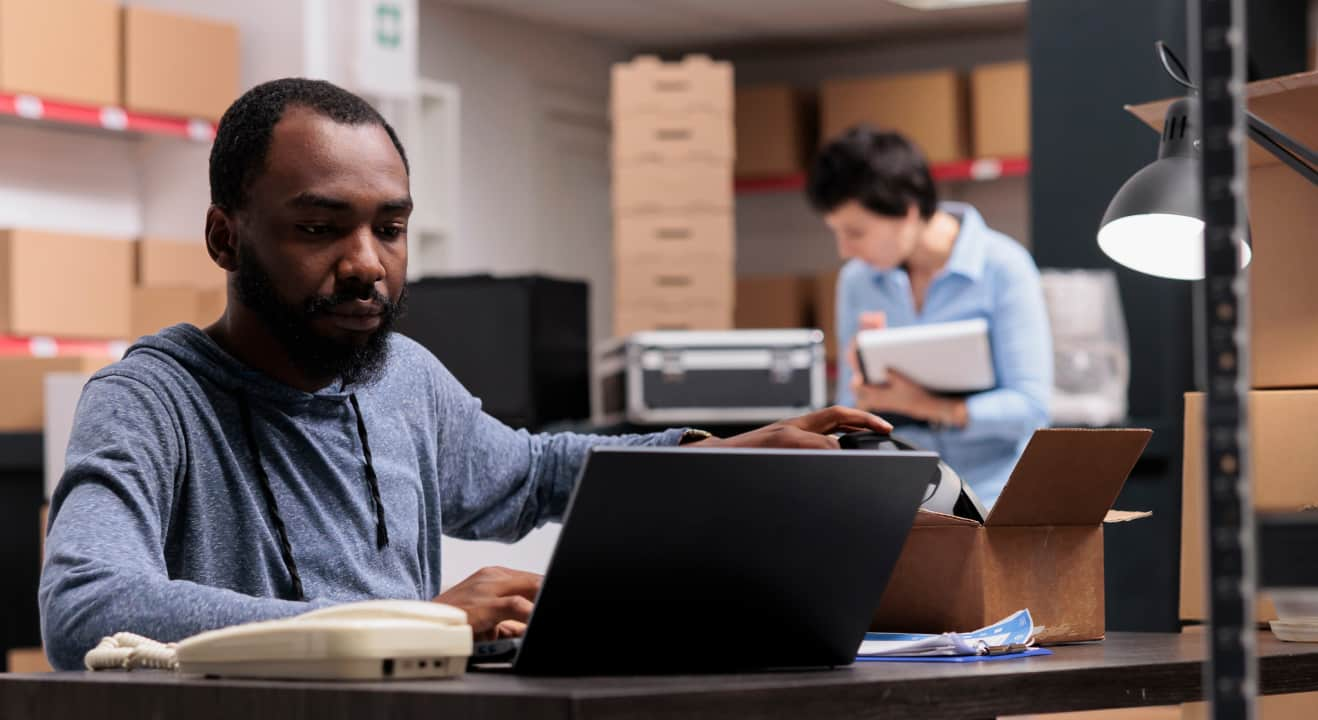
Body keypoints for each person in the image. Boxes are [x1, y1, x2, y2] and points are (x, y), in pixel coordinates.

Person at [37, 79, 892, 671]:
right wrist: (419, 623)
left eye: (392, 228)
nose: (368, 264)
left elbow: (529, 473)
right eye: (319, 228)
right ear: (226, 238)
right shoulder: (149, 401)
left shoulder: (401, 377)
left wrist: (722, 454)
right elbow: (87, 609)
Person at [806, 125, 1052, 507]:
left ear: (907, 211)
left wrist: (925, 406)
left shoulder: (1004, 267)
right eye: (836, 233)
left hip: (993, 497)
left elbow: (1031, 409)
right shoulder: (857, 280)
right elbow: (848, 409)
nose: (844, 249)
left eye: (855, 232)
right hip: (895, 495)